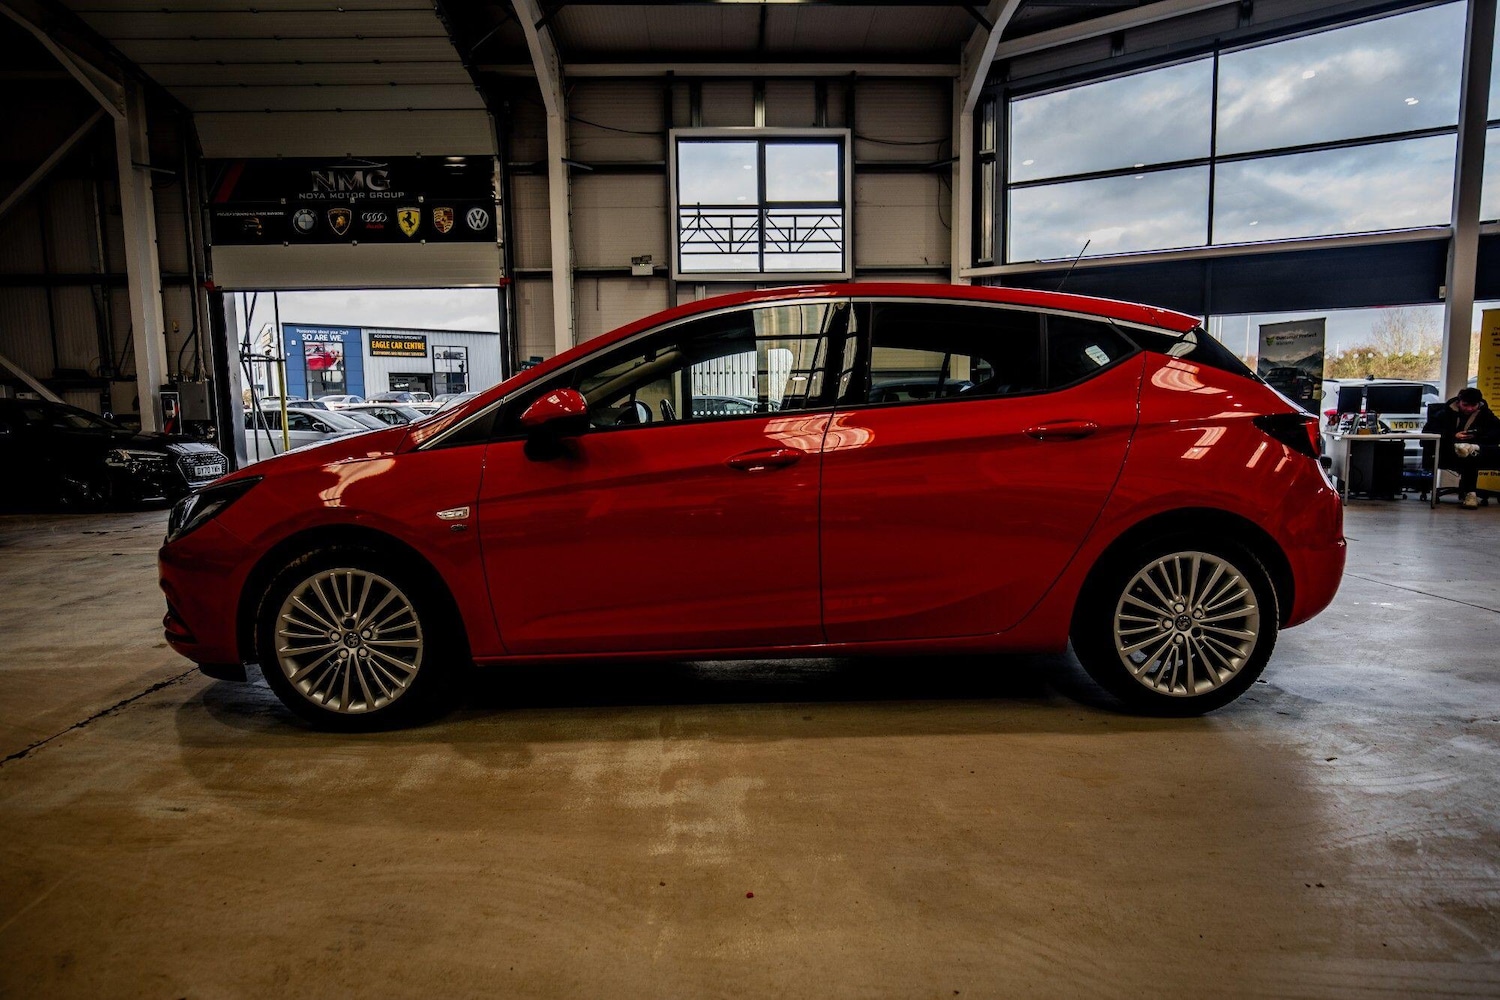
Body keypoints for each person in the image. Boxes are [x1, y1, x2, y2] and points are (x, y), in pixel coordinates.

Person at [1423, 386, 1500, 508]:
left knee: (1474, 452)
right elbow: (1428, 433)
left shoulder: (1486, 414)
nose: (1469, 409)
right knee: (1470, 455)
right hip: (1449, 450)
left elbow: (1497, 432)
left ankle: (1474, 448)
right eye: (1465, 405)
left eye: (1473, 406)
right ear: (1459, 402)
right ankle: (1470, 493)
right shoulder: (1443, 413)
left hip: (1476, 448)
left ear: (1478, 404)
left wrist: (1477, 436)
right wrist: (1453, 436)